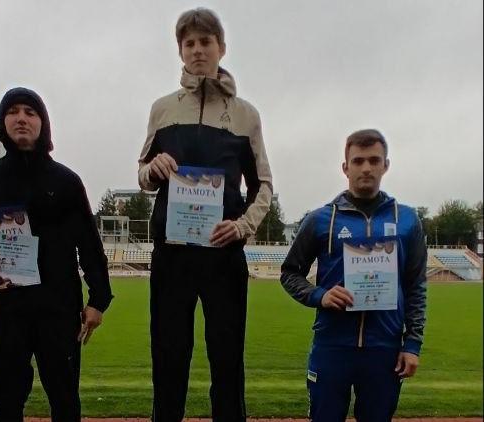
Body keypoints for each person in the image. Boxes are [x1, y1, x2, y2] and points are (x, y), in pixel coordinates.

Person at [138, 8, 273, 421]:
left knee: (227, 359)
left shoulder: (246, 114)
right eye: (189, 43)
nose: (197, 50)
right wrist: (153, 169)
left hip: (222, 253)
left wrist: (243, 225)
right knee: (168, 356)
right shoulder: (162, 109)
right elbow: (143, 175)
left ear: (221, 48)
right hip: (172, 254)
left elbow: (263, 185)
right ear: (180, 50)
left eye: (205, 42)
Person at [0, 87, 113, 421]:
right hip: (5, 309)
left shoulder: (66, 181)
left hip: (59, 308)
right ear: (2, 123)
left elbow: (89, 244)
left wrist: (98, 300)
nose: (21, 118)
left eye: (30, 112)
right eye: (13, 112)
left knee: (64, 399)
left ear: (43, 123)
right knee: (7, 399)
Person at [280, 129, 427, 421]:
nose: (366, 168)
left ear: (386, 165)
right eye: (358, 161)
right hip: (331, 346)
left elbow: (416, 286)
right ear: (345, 167)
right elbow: (290, 273)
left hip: (384, 349)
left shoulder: (407, 220)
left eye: (374, 160)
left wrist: (412, 344)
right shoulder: (321, 219)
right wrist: (320, 295)